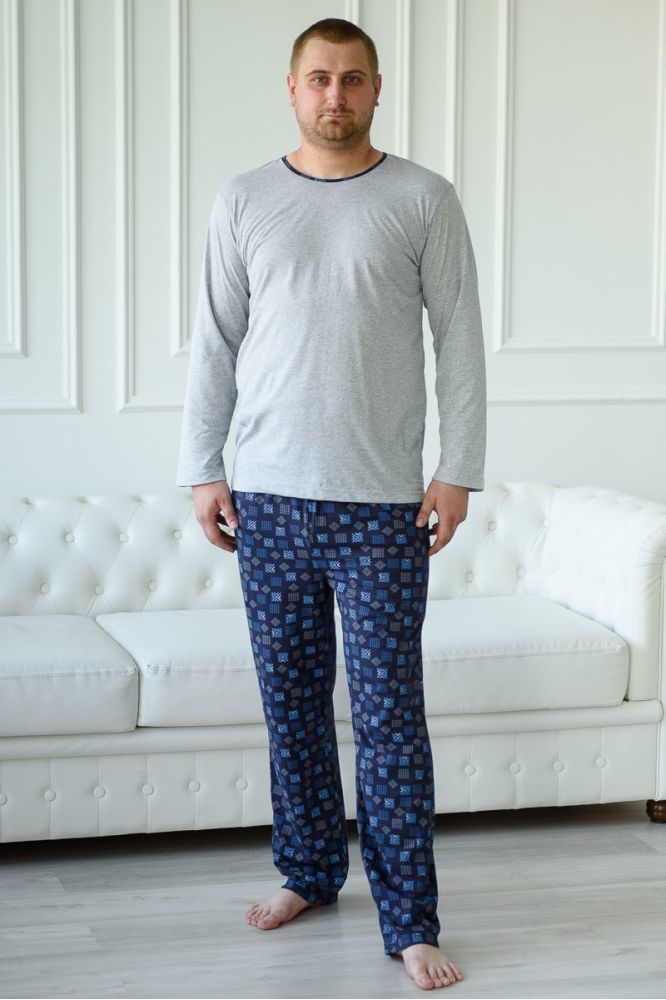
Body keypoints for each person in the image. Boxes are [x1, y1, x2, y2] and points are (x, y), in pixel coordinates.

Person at [176, 16, 486, 992]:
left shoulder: (424, 198)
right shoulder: (244, 199)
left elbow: (460, 339)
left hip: (383, 507)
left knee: (391, 719)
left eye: (352, 79)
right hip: (267, 499)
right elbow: (214, 340)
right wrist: (202, 466)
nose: (335, 95)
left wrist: (458, 469)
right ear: (292, 87)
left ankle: (410, 921)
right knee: (293, 707)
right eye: (319, 78)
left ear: (377, 88)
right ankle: (309, 872)